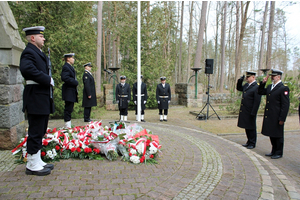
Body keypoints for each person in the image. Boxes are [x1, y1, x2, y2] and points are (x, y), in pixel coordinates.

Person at [19, 26, 54, 176]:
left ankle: (37, 159)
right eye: (41, 36)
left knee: (40, 129)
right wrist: (47, 79)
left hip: (41, 97)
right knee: (35, 130)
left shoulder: (38, 52)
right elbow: (27, 70)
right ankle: (32, 164)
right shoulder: (28, 52)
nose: (44, 38)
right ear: (33, 38)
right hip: (35, 96)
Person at [258, 69, 290, 159]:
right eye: (271, 75)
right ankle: (273, 150)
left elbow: (285, 105)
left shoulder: (283, 88)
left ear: (279, 77)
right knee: (272, 134)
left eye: (274, 76)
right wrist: (263, 83)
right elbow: (260, 92)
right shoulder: (269, 86)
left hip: (277, 116)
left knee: (278, 135)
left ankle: (279, 152)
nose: (272, 77)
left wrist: (282, 118)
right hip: (270, 115)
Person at [236, 71, 261, 149]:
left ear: (253, 77)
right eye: (246, 77)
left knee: (251, 127)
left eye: (248, 77)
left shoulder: (256, 87)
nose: (247, 78)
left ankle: (252, 142)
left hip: (251, 110)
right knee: (246, 126)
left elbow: (257, 101)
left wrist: (254, 112)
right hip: (245, 110)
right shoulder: (247, 85)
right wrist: (240, 80)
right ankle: (248, 141)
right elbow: (239, 88)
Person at [61, 53, 78, 128]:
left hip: (71, 91)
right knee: (68, 109)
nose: (73, 59)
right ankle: (67, 125)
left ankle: (69, 124)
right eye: (72, 58)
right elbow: (65, 77)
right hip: (68, 91)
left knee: (70, 108)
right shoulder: (66, 67)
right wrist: (75, 82)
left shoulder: (70, 67)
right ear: (68, 58)